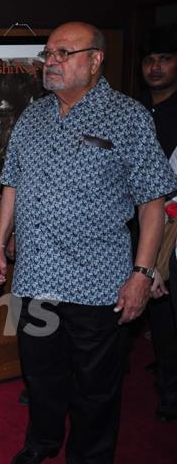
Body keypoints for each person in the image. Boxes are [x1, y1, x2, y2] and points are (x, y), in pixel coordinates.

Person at [0, 22, 177, 464]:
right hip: (36, 277)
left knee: (96, 387)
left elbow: (153, 202)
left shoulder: (127, 117)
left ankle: (90, 457)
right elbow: (11, 183)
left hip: (100, 284)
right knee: (42, 376)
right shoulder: (32, 116)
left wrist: (143, 274)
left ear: (95, 60)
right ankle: (42, 443)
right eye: (48, 54)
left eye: (63, 53)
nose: (51, 61)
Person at [141, 24, 177, 423]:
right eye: (149, 60)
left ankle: (170, 390)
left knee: (167, 314)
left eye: (165, 59)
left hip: (172, 227)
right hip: (133, 223)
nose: (155, 67)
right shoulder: (132, 110)